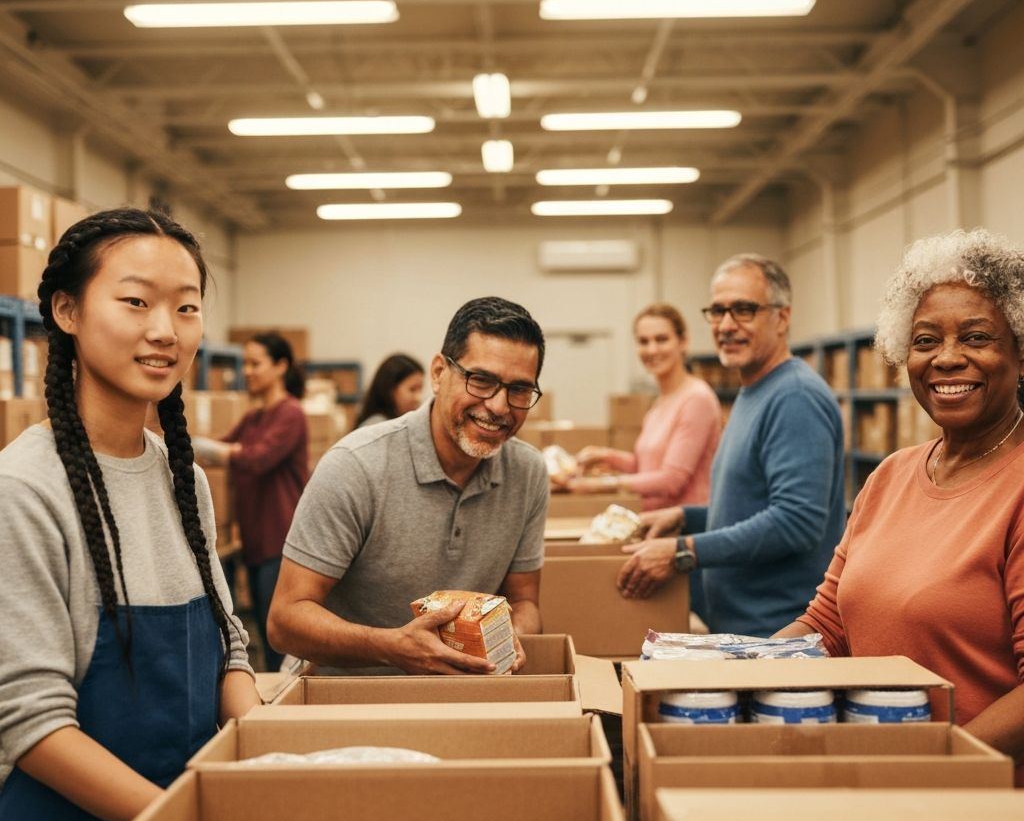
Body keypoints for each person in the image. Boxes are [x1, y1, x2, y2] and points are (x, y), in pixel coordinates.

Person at [0, 208, 260, 821]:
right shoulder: (24, 491)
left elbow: (230, 647)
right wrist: (179, 818)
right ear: (66, 310)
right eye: (136, 301)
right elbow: (32, 724)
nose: (165, 330)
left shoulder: (185, 482)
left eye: (186, 307)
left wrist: (261, 760)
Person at [775, 229, 1024, 785]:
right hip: (879, 776)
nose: (948, 359)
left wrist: (934, 764)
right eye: (926, 340)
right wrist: (732, 668)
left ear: (1020, 351)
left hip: (982, 800)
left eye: (977, 337)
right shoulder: (889, 476)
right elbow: (828, 626)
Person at [268, 296, 549, 674]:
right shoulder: (356, 466)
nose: (499, 406)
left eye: (519, 390)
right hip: (339, 696)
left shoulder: (527, 473)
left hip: (456, 695)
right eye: (481, 380)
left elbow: (525, 601)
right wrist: (392, 648)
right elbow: (284, 622)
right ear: (438, 373)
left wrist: (511, 634)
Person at [617, 253, 845, 638]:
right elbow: (753, 504)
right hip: (744, 629)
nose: (726, 325)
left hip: (777, 635)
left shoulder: (795, 397)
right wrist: (686, 517)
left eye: (743, 310)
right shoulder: (754, 390)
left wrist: (684, 550)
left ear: (782, 317)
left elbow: (796, 522)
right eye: (718, 311)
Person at [193, 333, 309, 672]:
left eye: (255, 363)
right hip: (255, 541)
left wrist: (200, 446)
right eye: (245, 363)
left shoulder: (290, 414)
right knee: (261, 629)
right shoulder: (254, 417)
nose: (248, 371)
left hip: (281, 541)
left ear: (280, 367)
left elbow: (257, 458)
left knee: (279, 640)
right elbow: (225, 446)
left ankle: (285, 715)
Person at [563, 303, 721, 510]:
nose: (652, 349)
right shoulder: (659, 403)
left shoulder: (696, 400)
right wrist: (605, 456)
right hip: (657, 525)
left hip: (686, 531)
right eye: (643, 342)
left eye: (661, 339)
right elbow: (644, 466)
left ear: (683, 342)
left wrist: (600, 485)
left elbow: (671, 480)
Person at [356, 353, 425, 427]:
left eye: (420, 389)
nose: (418, 398)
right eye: (412, 389)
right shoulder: (376, 426)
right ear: (391, 390)